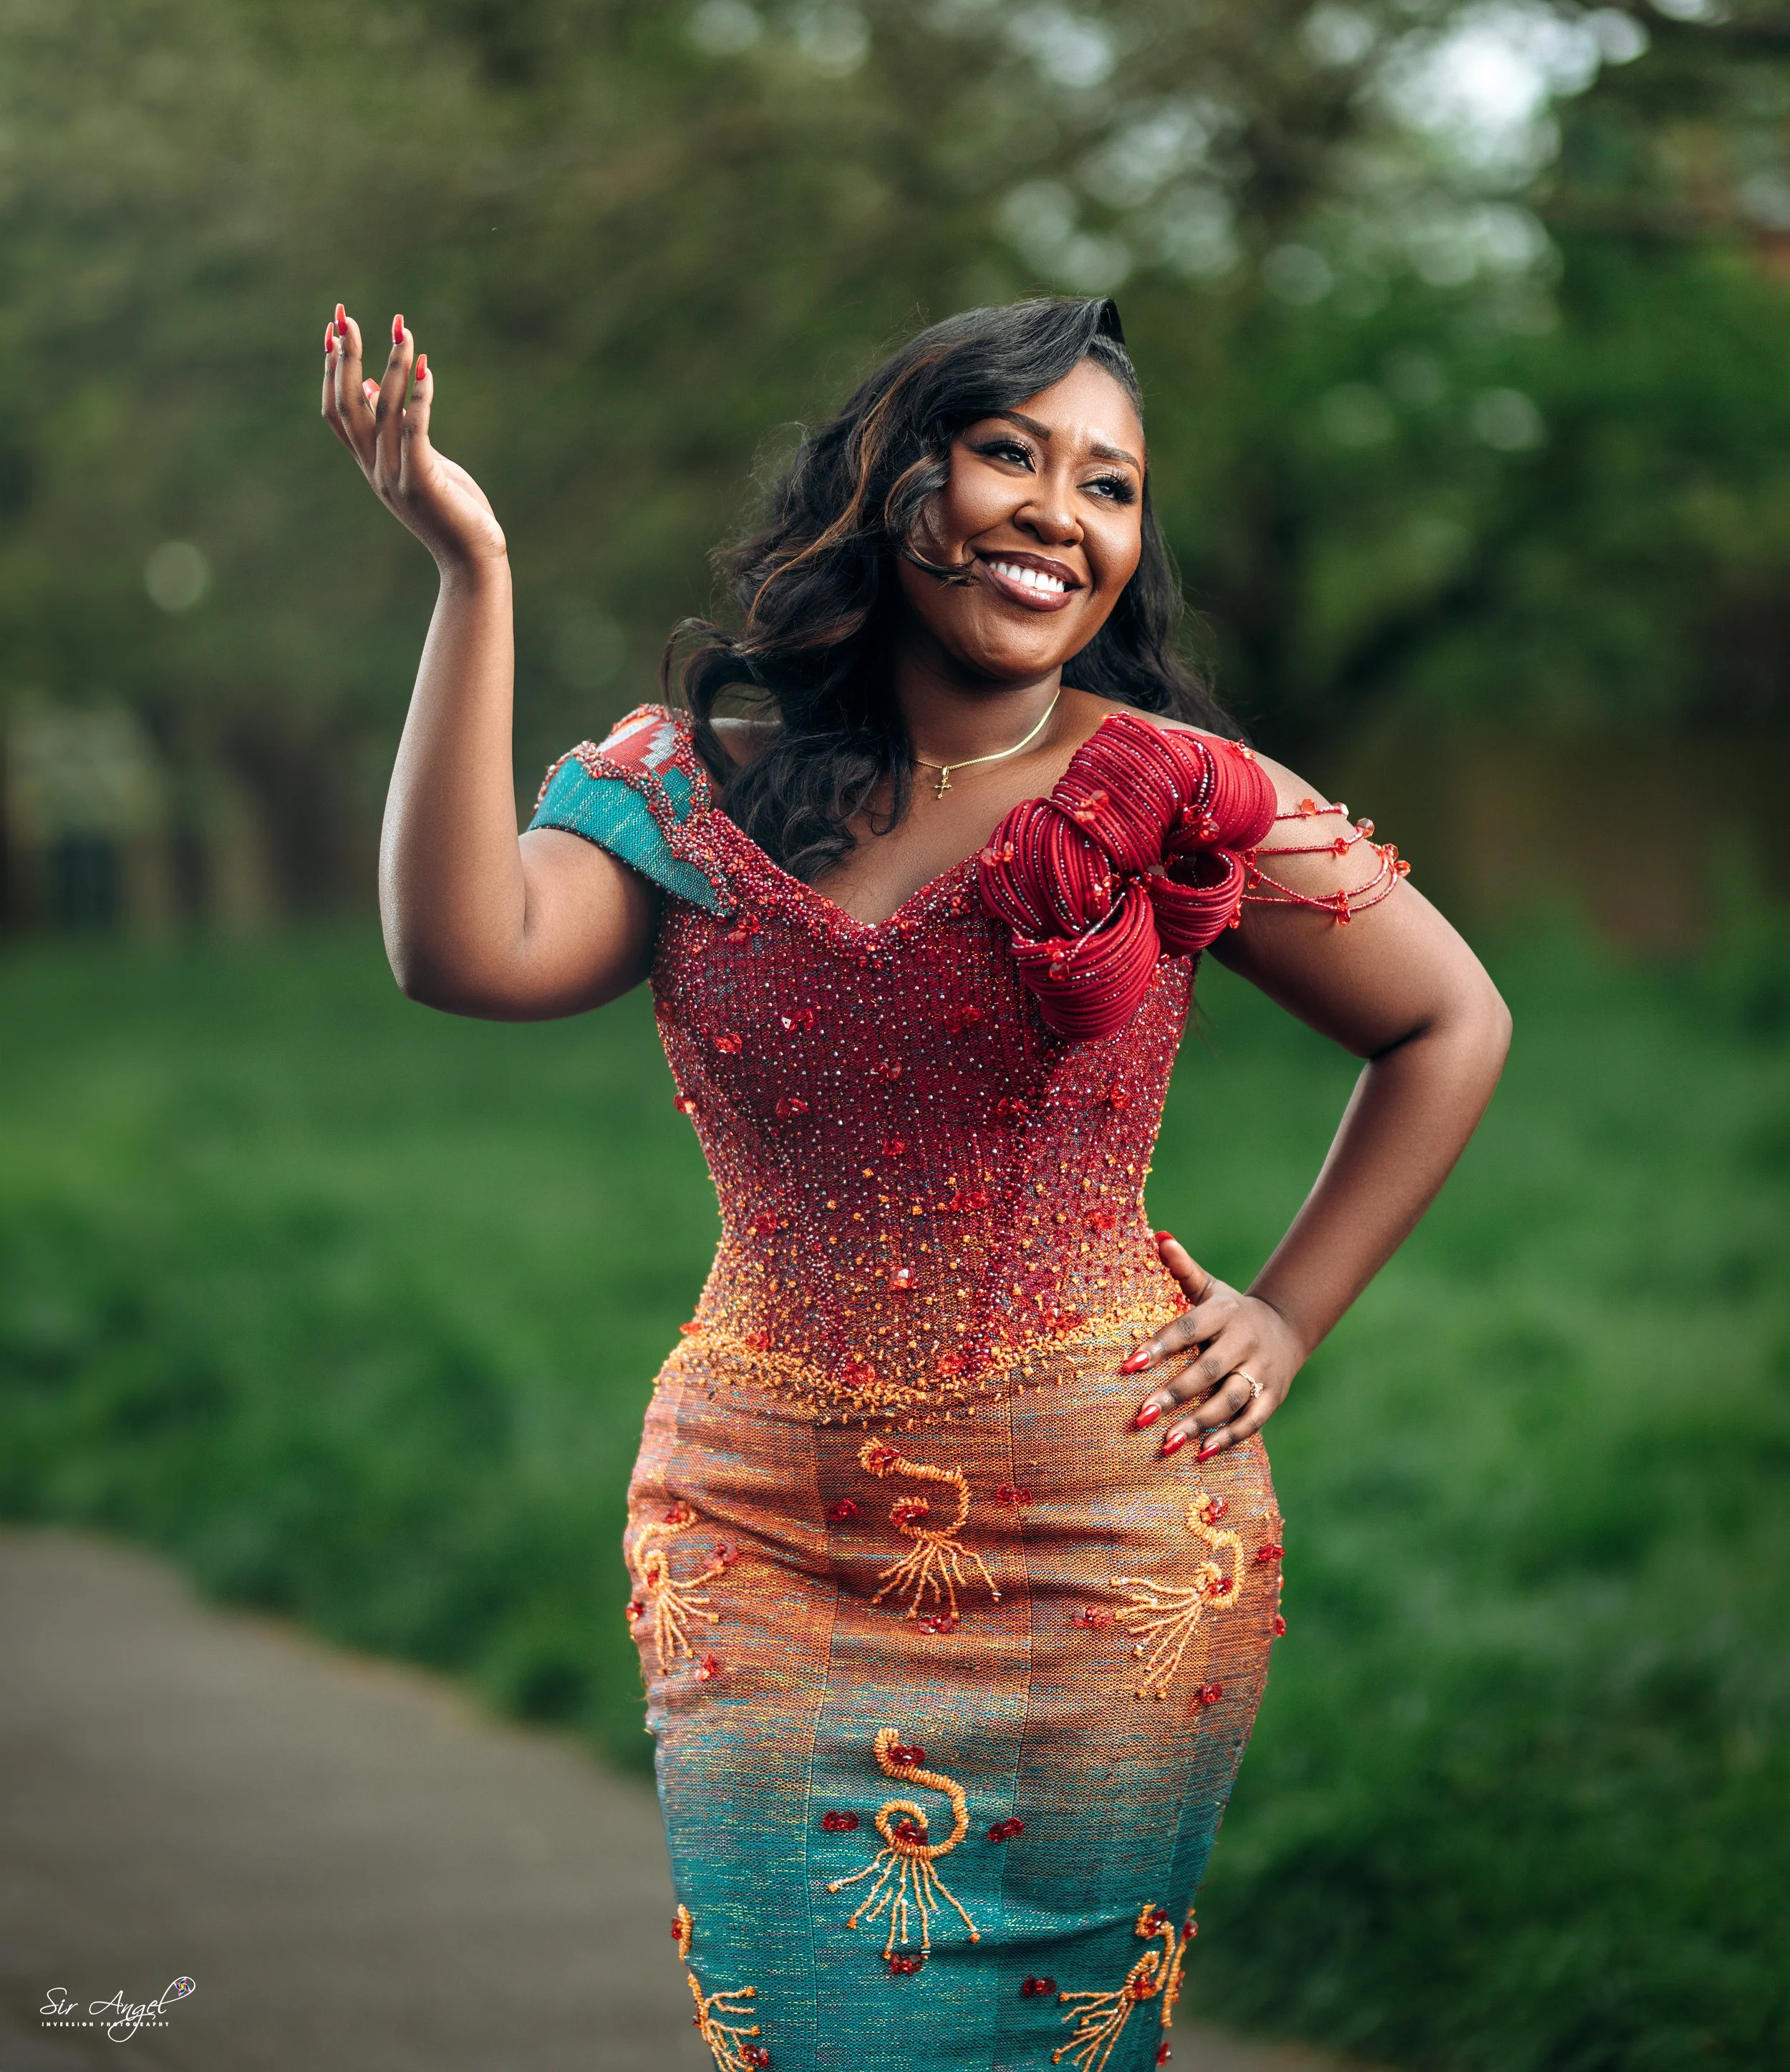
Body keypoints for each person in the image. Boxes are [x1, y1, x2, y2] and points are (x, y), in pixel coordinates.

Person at [321, 294, 1509, 2072]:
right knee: (798, 2036)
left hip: (1108, 1540)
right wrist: (467, 572)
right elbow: (456, 948)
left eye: (1107, 486)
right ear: (894, 482)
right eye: (1008, 453)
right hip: (756, 1524)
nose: (1058, 512)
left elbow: (1447, 1019)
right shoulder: (684, 793)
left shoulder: (1173, 794)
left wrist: (1289, 1310)